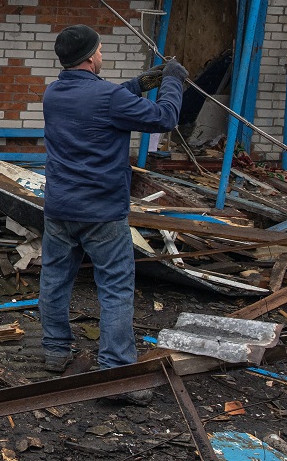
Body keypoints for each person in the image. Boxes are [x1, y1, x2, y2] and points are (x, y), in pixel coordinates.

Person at [39, 25, 187, 402]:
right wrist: (171, 81)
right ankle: (117, 371)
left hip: (59, 208)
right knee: (116, 288)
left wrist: (141, 82)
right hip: (101, 212)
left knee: (55, 279)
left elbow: (105, 97)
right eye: (101, 50)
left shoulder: (53, 93)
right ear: (91, 57)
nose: (103, 55)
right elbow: (165, 118)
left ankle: (55, 351)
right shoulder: (106, 98)